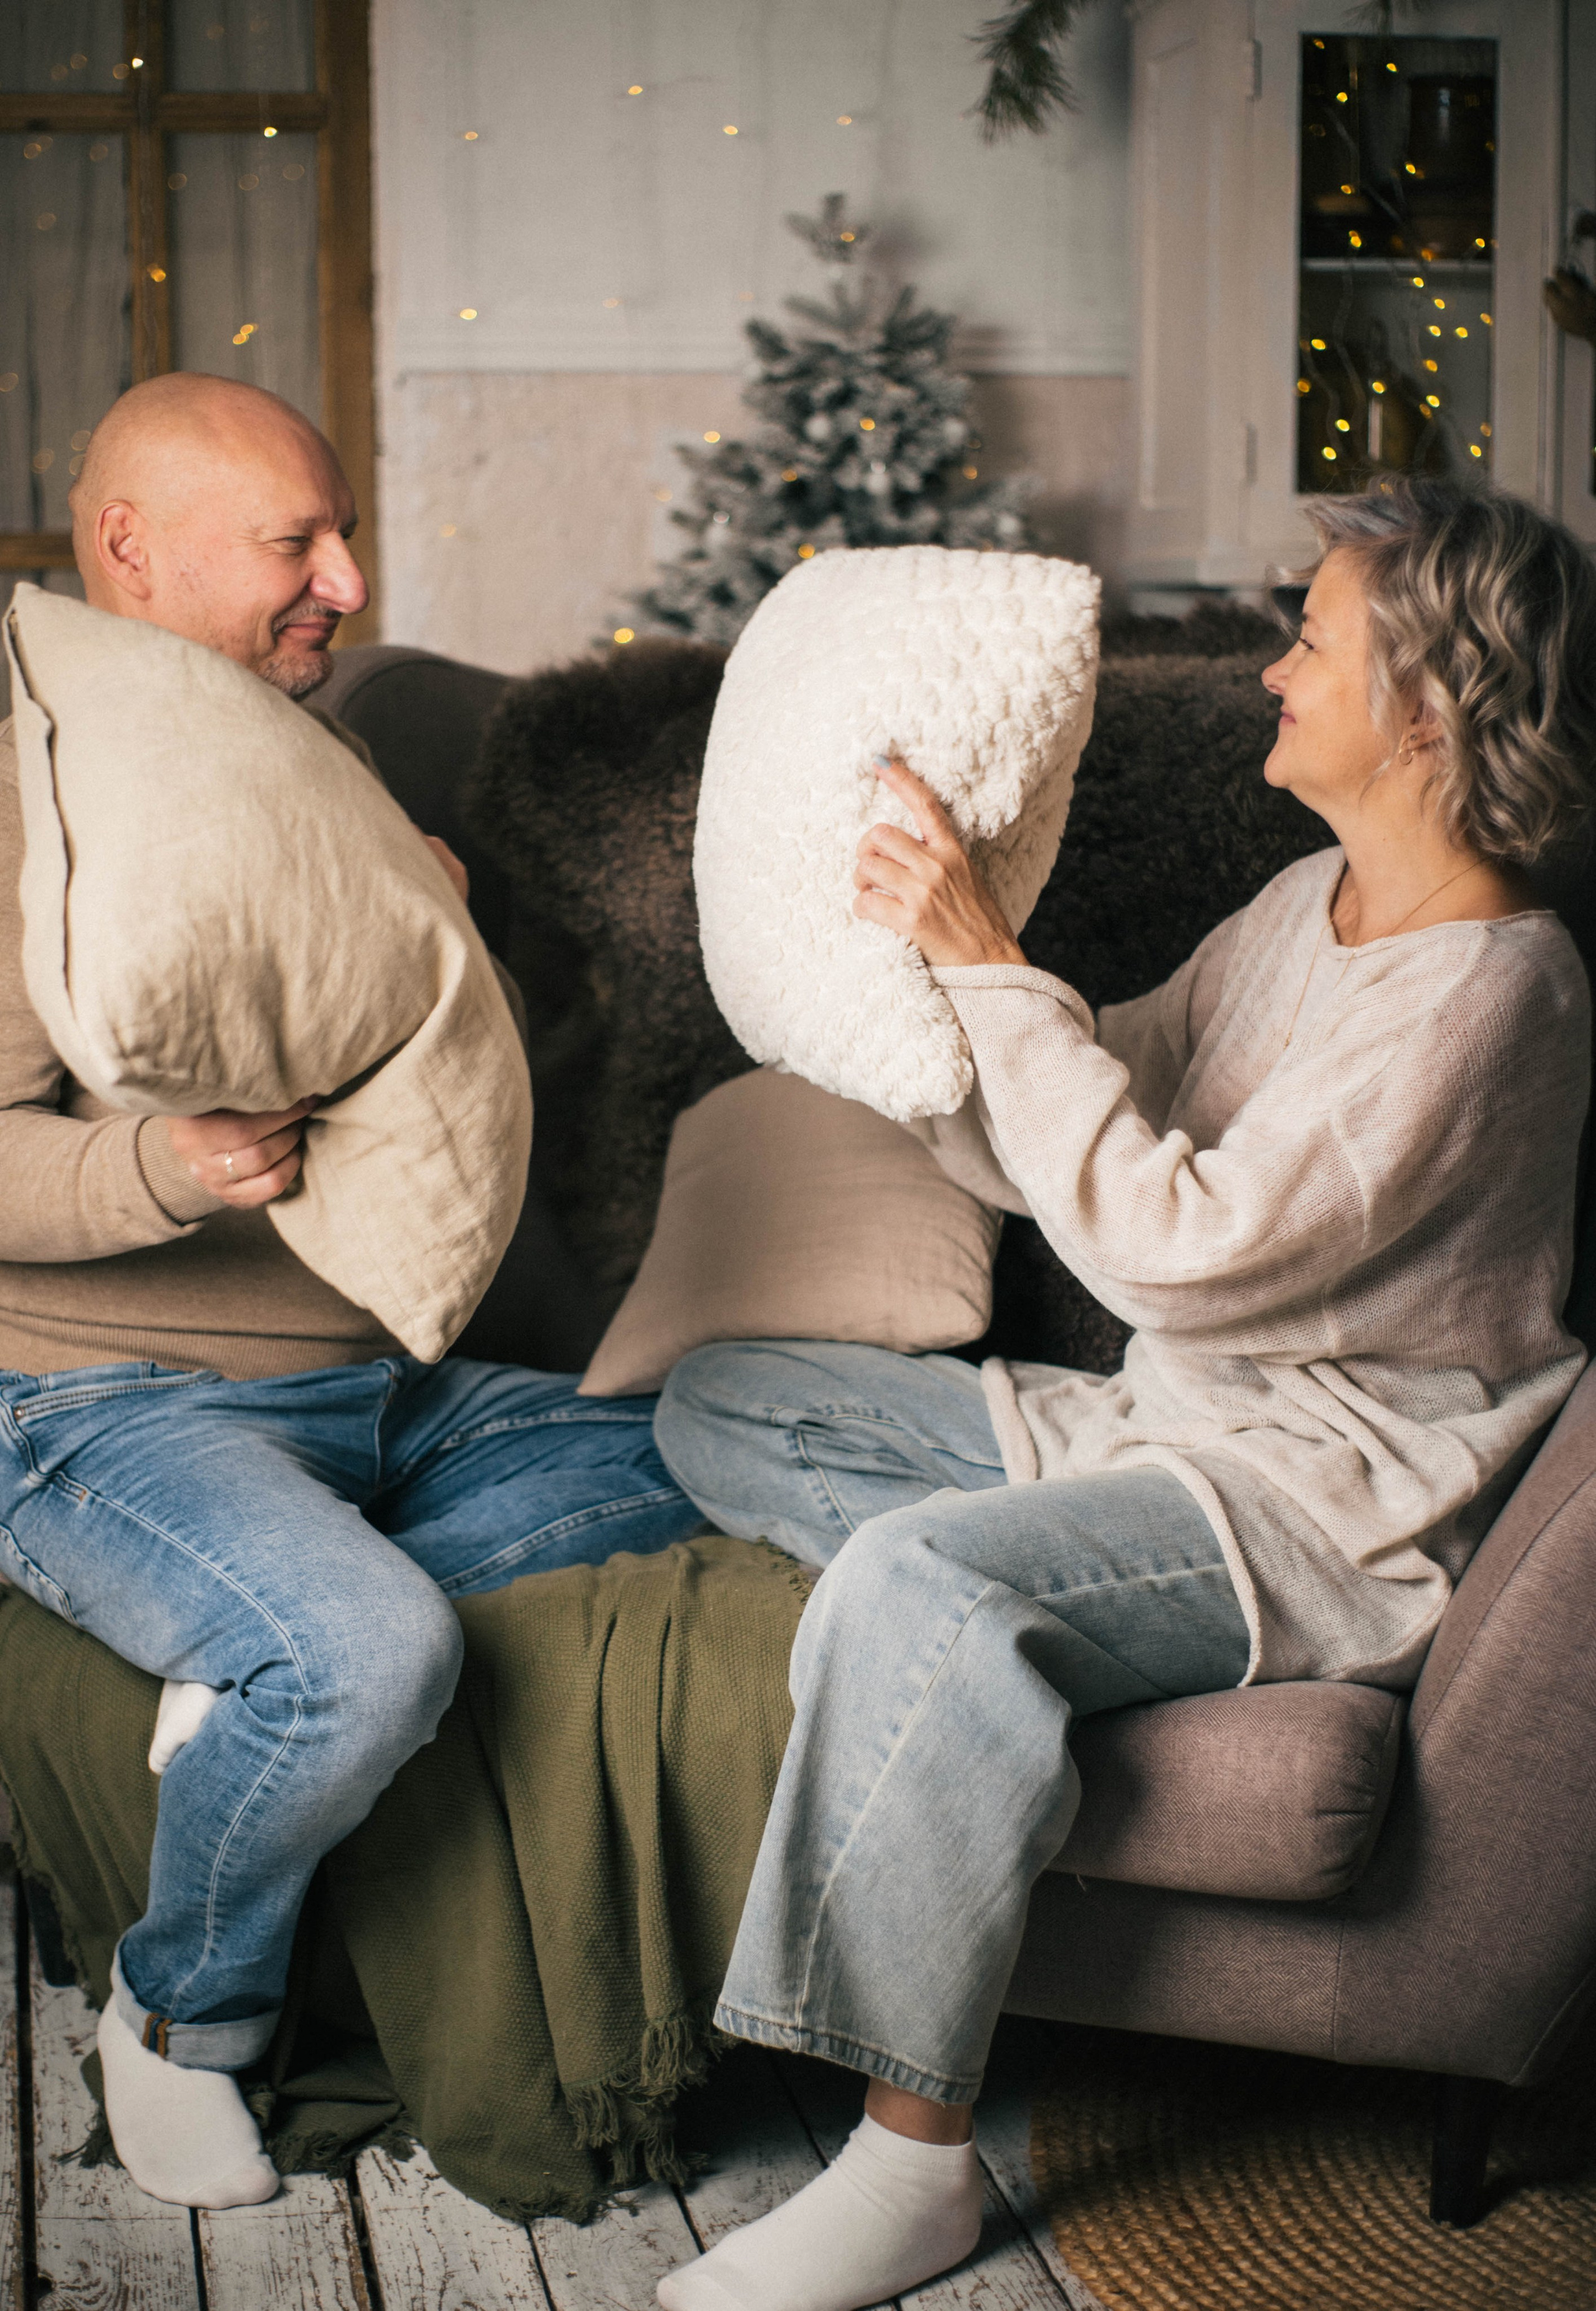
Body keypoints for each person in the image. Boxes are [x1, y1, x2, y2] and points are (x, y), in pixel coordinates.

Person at [651, 478, 1596, 2311]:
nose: (1268, 672)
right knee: (726, 1399)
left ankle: (908, 2159)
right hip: (1154, 1433)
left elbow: (1168, 1243)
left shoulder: (1503, 994)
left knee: (919, 1585)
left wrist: (987, 966)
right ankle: (977, 1637)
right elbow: (1073, 1114)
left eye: (1311, 641)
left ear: (1431, 701)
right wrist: (927, 1012)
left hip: (1317, 1504)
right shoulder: (1295, 905)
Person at [0, 373, 702, 2213]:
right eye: (298, 540)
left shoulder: (317, 770)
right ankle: (179, 2018)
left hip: (389, 1392)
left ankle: (240, 1649)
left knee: (702, 1443)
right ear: (132, 548)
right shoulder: (33, 794)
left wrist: (452, 945)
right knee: (371, 1651)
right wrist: (173, 1162)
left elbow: (445, 1098)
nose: (350, 575)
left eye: (345, 530)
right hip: (113, 1407)